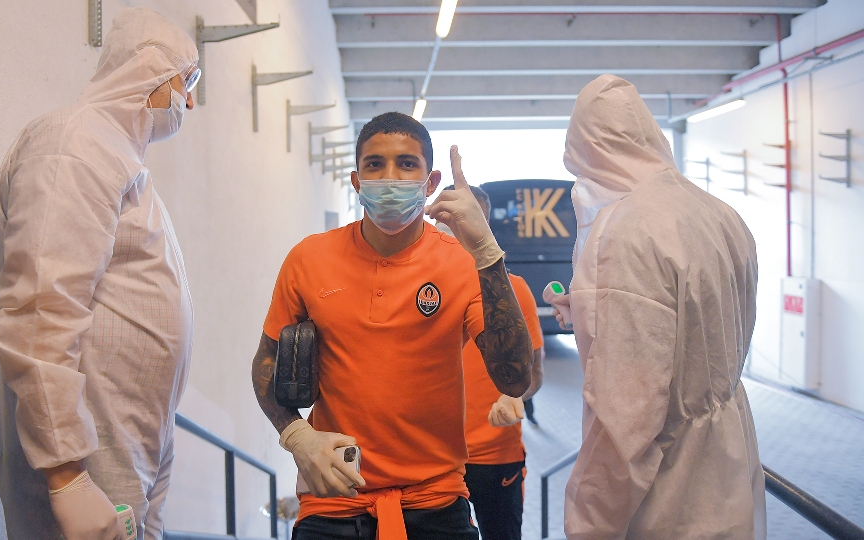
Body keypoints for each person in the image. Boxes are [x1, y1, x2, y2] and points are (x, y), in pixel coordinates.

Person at [251, 112, 533, 540]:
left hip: (437, 499)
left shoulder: (461, 263)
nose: (390, 177)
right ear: (356, 180)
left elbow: (514, 377)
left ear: (431, 181)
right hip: (334, 497)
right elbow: (266, 364)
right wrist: (297, 436)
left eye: (406, 164)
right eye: (374, 164)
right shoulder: (309, 258)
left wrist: (487, 254)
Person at [0, 7, 201, 539]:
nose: (190, 101)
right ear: (149, 69)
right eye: (187, 81)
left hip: (130, 434)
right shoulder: (74, 144)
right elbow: (41, 310)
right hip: (84, 449)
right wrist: (67, 476)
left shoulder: (116, 156)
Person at [551, 74, 766, 539]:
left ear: (590, 151)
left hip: (670, 494)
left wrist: (589, 525)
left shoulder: (628, 231)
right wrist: (591, 311)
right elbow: (698, 321)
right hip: (730, 467)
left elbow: (625, 421)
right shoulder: (719, 214)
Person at [453, 185, 545, 540]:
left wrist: (516, 396)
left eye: (471, 221)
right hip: (435, 460)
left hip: (496, 457)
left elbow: (534, 372)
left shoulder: (514, 289)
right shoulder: (421, 292)